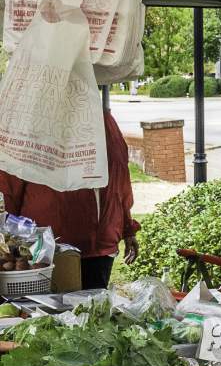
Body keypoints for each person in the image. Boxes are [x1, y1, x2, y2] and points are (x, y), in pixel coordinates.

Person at [0, 108, 140, 289]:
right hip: (49, 248)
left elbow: (119, 178)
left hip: (100, 244)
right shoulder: (33, 123)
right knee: (47, 312)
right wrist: (9, 240)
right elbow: (9, 187)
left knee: (93, 311)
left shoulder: (103, 121)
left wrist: (128, 228)